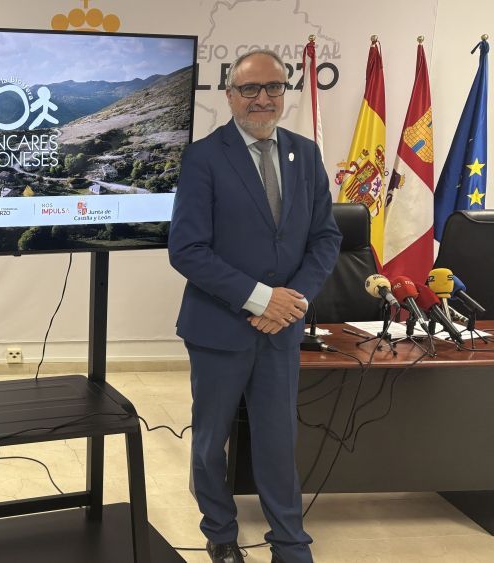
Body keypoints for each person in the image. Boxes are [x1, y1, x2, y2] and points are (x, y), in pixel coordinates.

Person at [168, 50, 341, 563]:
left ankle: (289, 543)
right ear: (230, 96)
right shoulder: (203, 157)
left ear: (284, 92)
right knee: (210, 440)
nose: (263, 98)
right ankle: (221, 533)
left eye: (273, 87)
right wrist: (261, 297)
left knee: (277, 441)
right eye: (250, 89)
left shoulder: (305, 154)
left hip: (281, 331)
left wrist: (290, 304)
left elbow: (326, 238)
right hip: (220, 327)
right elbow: (188, 249)